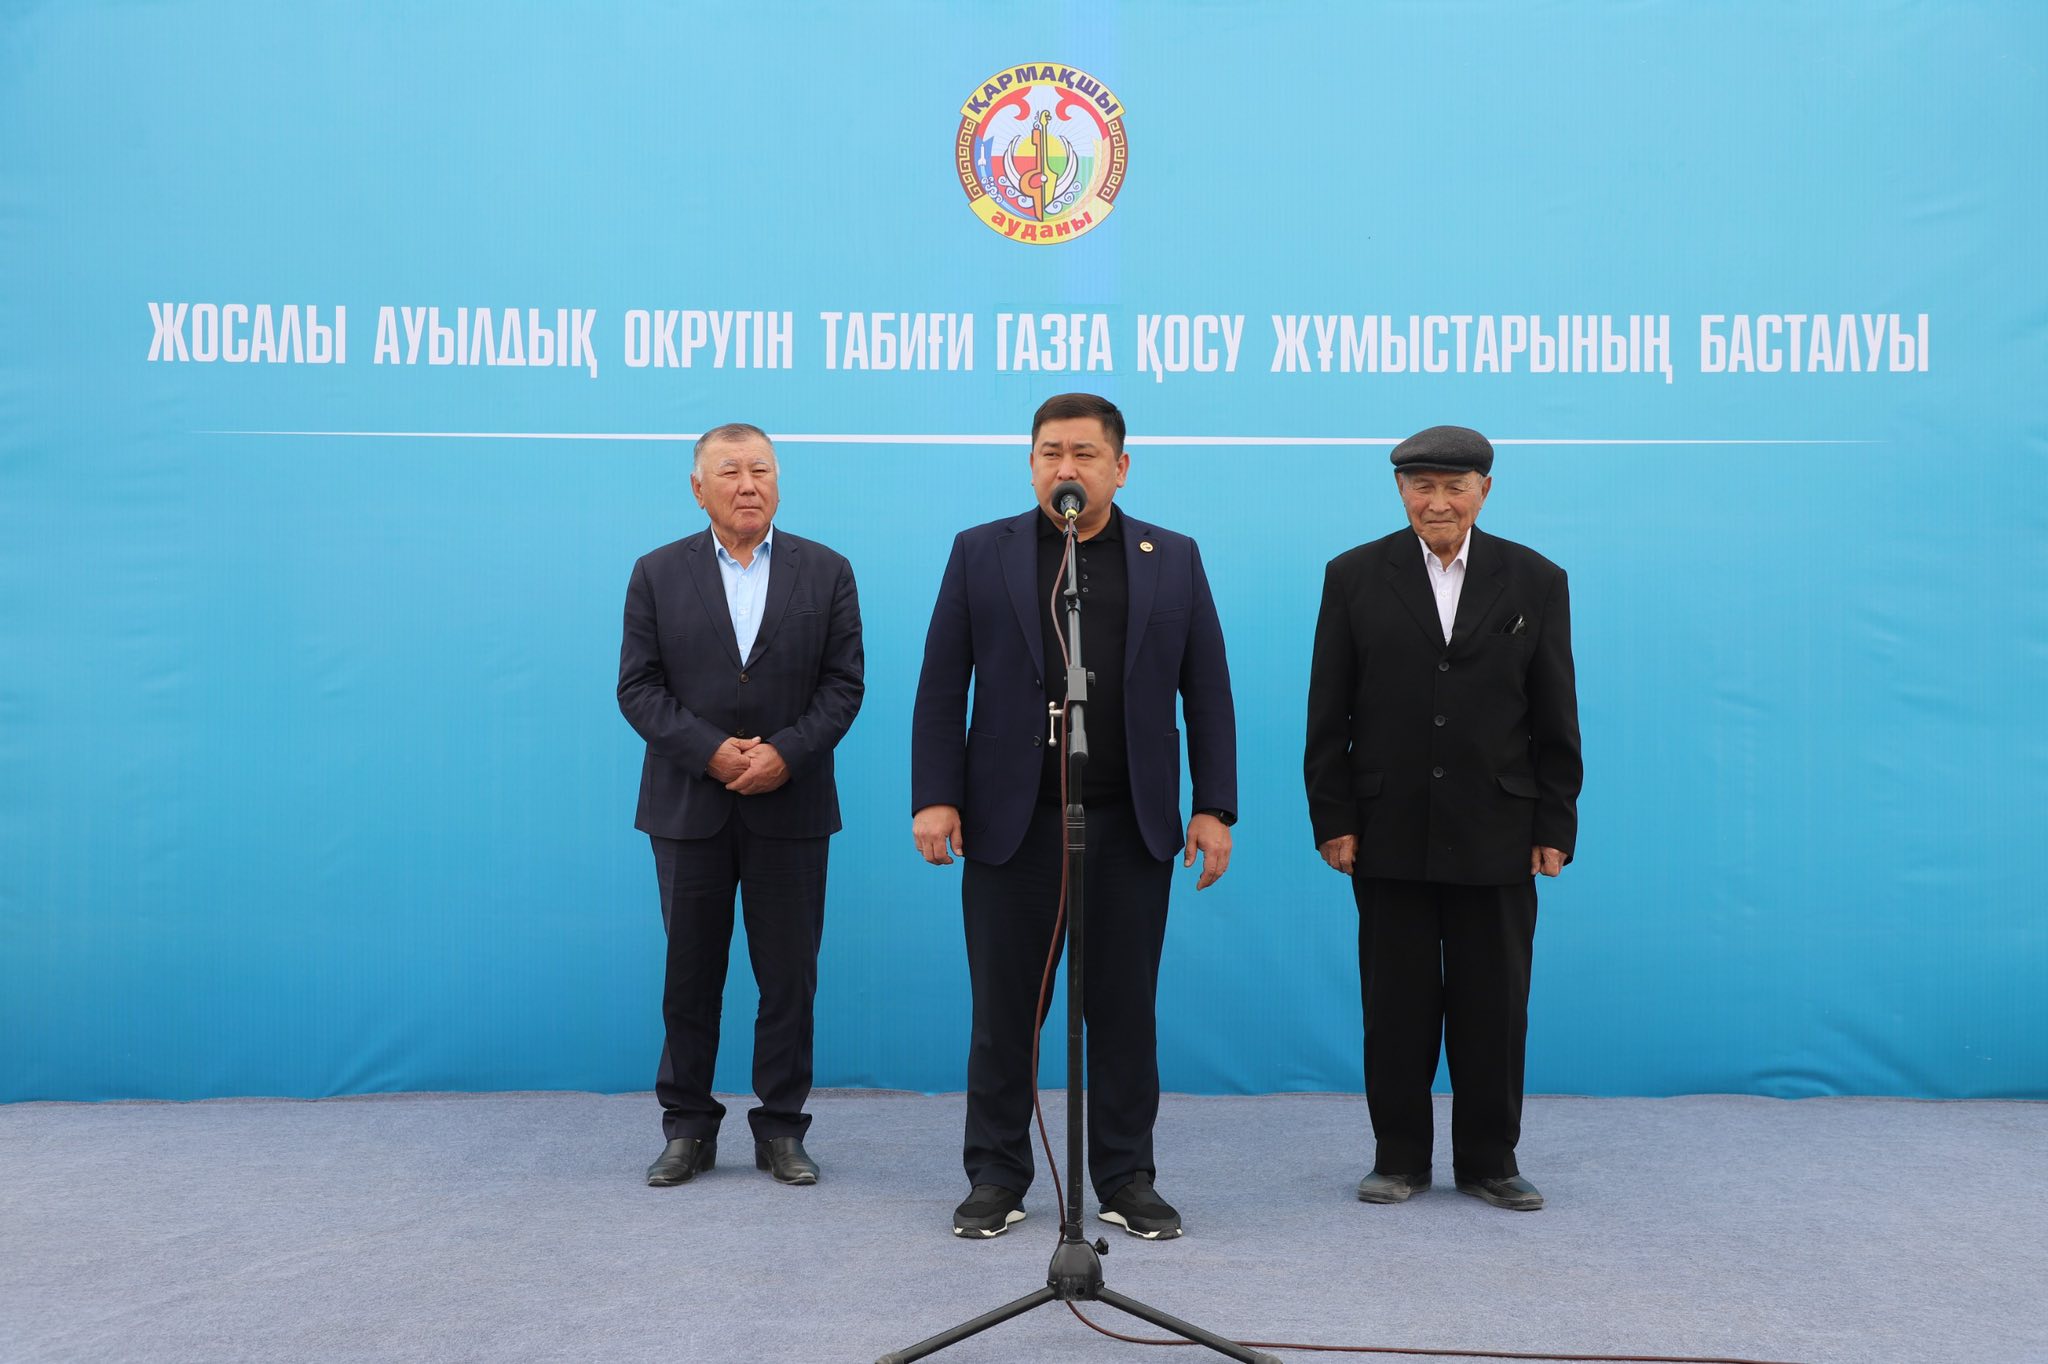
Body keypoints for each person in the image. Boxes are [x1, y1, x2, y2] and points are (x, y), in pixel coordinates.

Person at [910, 393, 1237, 1240]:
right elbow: (943, 683)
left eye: (1085, 454)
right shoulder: (980, 552)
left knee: (1124, 1013)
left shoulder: (1173, 557)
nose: (1067, 468)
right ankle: (997, 1175)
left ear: (1119, 468)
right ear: (1030, 466)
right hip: (1013, 826)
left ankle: (1126, 1178)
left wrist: (1214, 806)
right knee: (1006, 1015)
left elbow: (1206, 689)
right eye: (1051, 452)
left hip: (1130, 825)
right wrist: (936, 796)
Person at [1303, 425, 1581, 1212]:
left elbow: (1555, 714)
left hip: (1499, 828)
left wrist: (1554, 824)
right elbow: (1328, 710)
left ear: (1484, 491)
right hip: (1386, 825)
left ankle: (1491, 1160)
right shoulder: (1354, 576)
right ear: (1401, 491)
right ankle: (1398, 1157)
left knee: (1495, 1004)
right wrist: (1333, 816)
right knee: (1396, 1002)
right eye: (1422, 486)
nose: (1438, 501)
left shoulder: (1535, 579)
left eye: (1455, 487)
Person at [617, 423, 864, 1189]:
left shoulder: (827, 571)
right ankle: (688, 1127)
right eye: (729, 471)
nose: (747, 484)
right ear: (699, 489)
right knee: (690, 976)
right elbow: (638, 687)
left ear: (778, 483)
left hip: (792, 805)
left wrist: (785, 753)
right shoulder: (657, 572)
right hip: (688, 807)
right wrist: (711, 751)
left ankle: (782, 1128)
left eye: (761, 469)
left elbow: (844, 685)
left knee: (789, 978)